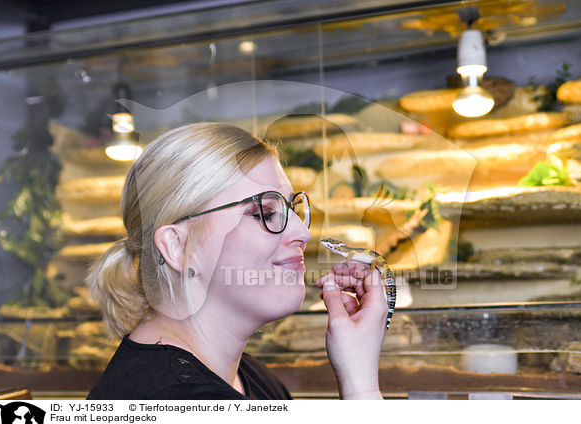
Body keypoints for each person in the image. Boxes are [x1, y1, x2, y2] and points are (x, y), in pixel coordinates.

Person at [86, 122, 387, 400]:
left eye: (292, 209)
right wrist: (360, 387)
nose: (303, 232)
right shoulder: (178, 403)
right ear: (178, 246)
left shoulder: (253, 379)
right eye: (264, 213)